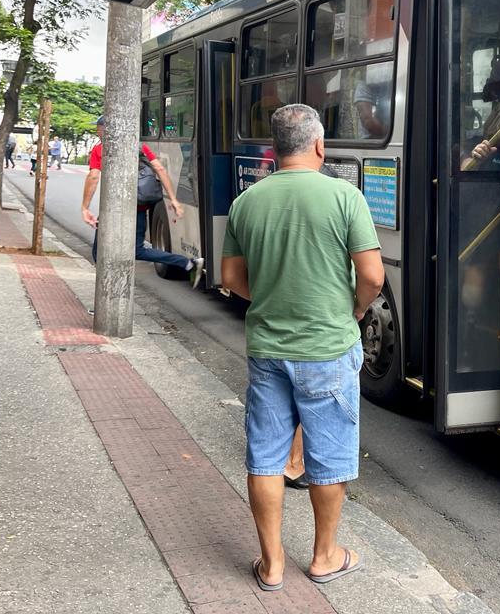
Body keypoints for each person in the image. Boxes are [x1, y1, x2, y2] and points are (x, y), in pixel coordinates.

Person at [220, 103, 383, 592]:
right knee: (328, 458)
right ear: (318, 145)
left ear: (273, 149)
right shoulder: (343, 196)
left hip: (267, 347)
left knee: (266, 457)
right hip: (328, 347)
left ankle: (270, 565)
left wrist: (270, 297)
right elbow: (373, 276)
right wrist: (351, 309)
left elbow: (230, 278)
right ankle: (324, 557)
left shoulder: (247, 200)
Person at [80, 116, 204, 287]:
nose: (97, 131)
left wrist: (85, 207)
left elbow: (93, 176)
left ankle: (108, 298)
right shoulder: (140, 147)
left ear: (106, 130)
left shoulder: (101, 149)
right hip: (138, 208)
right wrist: (173, 199)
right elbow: (159, 168)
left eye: (99, 128)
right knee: (136, 250)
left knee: (100, 252)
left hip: (114, 210)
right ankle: (187, 263)